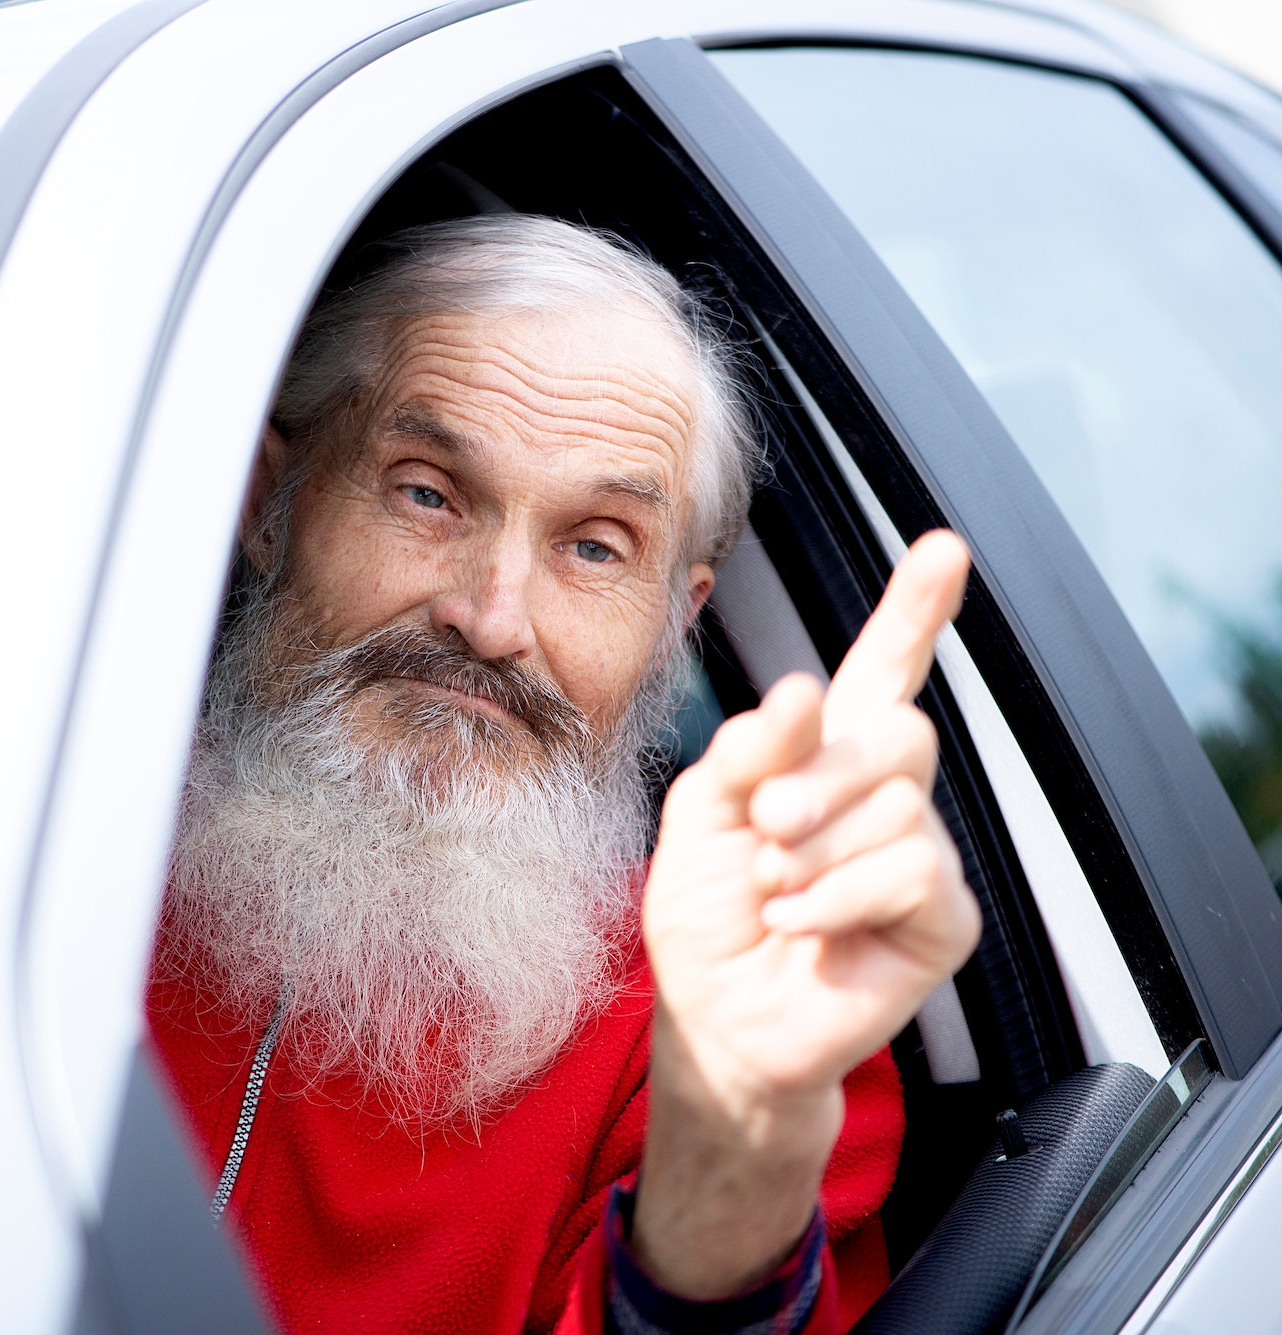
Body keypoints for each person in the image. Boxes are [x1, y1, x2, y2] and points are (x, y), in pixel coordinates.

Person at [147, 214, 981, 1335]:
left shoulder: (706, 1006)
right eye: (425, 492)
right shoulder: (24, 832)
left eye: (593, 547)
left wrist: (725, 1153)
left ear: (671, 624)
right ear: (270, 503)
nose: (491, 621)